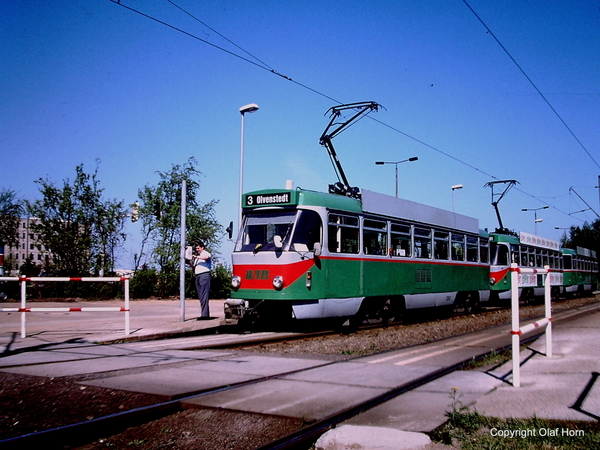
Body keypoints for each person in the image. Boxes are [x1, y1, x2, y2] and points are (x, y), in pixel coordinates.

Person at [190, 241, 212, 319]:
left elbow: (206, 257)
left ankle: (205, 315)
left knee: (204, 294)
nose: (197, 250)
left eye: (198, 248)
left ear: (202, 248)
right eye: (196, 248)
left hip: (204, 275)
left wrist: (196, 257)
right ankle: (204, 313)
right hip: (198, 276)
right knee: (200, 295)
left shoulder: (205, 253)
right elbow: (194, 267)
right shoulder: (198, 258)